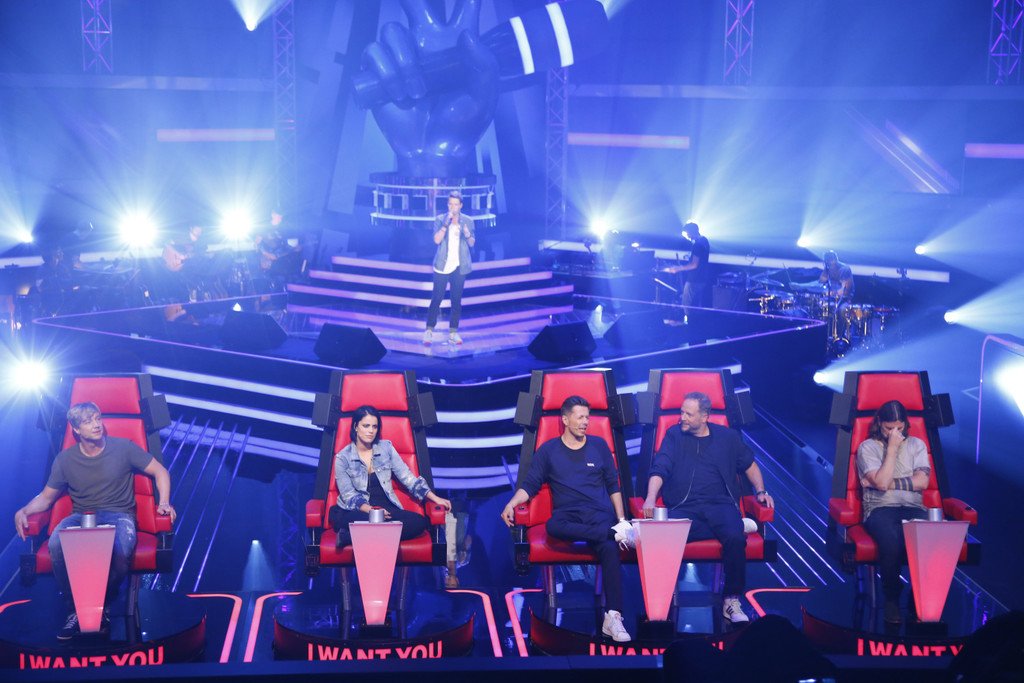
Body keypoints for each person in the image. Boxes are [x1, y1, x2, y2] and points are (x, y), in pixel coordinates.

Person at [13, 402, 176, 640]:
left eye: (98, 418)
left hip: (119, 515)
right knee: (56, 544)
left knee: (120, 549)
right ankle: (76, 609)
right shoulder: (65, 460)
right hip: (81, 516)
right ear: (76, 429)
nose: (96, 425)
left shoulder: (124, 448)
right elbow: (46, 498)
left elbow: (161, 472)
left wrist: (164, 502)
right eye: (88, 421)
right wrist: (24, 510)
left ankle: (100, 607)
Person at [501, 396, 634, 643]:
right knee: (553, 526)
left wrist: (622, 519)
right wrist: (511, 503)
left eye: (587, 417)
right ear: (565, 419)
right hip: (568, 516)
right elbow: (530, 485)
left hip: (598, 515)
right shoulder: (549, 450)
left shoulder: (599, 446)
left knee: (609, 546)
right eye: (580, 417)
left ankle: (613, 617)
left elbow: (613, 485)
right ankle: (612, 534)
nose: (585, 422)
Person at [642, 391, 774, 625]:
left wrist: (761, 492)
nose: (682, 417)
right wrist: (651, 498)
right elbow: (659, 469)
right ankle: (660, 603)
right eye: (681, 412)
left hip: (719, 505)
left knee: (734, 538)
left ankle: (731, 599)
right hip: (684, 506)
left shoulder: (727, 437)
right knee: (664, 535)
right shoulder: (674, 435)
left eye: (688, 414)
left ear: (704, 417)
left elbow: (749, 465)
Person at [330, 405, 452, 548]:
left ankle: (350, 536)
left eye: (375, 426)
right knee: (359, 520)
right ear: (356, 427)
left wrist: (435, 498)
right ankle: (377, 530)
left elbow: (407, 478)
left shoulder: (386, 448)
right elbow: (349, 495)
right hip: (358, 510)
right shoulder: (343, 457)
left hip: (385, 509)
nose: (371, 431)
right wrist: (372, 511)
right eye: (366, 426)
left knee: (419, 522)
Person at [856, 400, 930, 624]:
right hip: (880, 507)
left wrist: (887, 483)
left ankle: (920, 598)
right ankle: (892, 598)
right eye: (889, 428)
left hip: (913, 506)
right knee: (891, 540)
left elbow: (922, 482)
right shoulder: (867, 447)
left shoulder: (917, 445)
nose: (894, 433)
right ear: (879, 423)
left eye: (899, 427)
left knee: (930, 537)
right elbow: (880, 484)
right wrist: (892, 449)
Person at [424, 190, 475, 346]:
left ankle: (453, 332)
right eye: (450, 204)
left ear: (461, 205)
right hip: (442, 265)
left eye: (456, 204)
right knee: (436, 299)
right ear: (448, 205)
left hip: (459, 266)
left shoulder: (468, 220)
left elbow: (472, 243)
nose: (453, 207)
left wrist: (467, 234)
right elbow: (436, 240)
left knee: (456, 301)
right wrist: (445, 225)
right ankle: (429, 330)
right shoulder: (440, 219)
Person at [672, 222, 711, 309]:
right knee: (696, 305)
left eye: (688, 233)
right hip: (703, 277)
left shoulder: (697, 245)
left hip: (694, 279)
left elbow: (694, 265)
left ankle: (687, 317)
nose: (688, 236)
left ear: (692, 231)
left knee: (686, 304)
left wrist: (678, 268)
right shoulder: (704, 240)